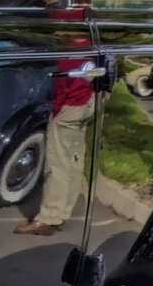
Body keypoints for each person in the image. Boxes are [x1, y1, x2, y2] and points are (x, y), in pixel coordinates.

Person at [14, 72, 95, 236]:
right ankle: (63, 212)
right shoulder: (93, 49)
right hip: (88, 103)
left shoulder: (73, 55)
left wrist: (57, 110)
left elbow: (62, 86)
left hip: (69, 107)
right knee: (74, 160)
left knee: (57, 163)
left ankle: (49, 217)